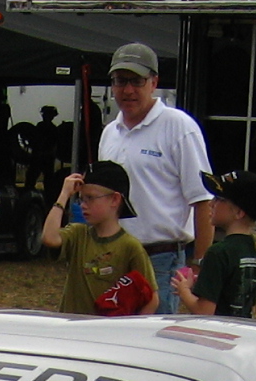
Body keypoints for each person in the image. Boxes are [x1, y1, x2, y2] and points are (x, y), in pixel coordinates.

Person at [95, 42, 214, 314]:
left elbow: (203, 200)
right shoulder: (110, 133)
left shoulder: (179, 127)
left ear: (154, 82)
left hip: (160, 259)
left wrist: (199, 265)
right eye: (120, 81)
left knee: (154, 342)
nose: (128, 90)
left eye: (137, 81)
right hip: (113, 256)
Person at [41, 162, 155, 316]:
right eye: (81, 198)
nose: (83, 205)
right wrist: (64, 194)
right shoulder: (78, 234)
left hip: (104, 333)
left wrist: (129, 329)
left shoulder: (130, 246)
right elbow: (49, 238)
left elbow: (152, 298)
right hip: (71, 331)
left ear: (115, 200)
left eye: (90, 198)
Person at [173, 169, 256, 318]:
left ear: (239, 212)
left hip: (217, 335)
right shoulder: (255, 250)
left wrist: (184, 291)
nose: (211, 203)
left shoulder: (218, 252)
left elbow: (204, 311)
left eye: (219, 199)